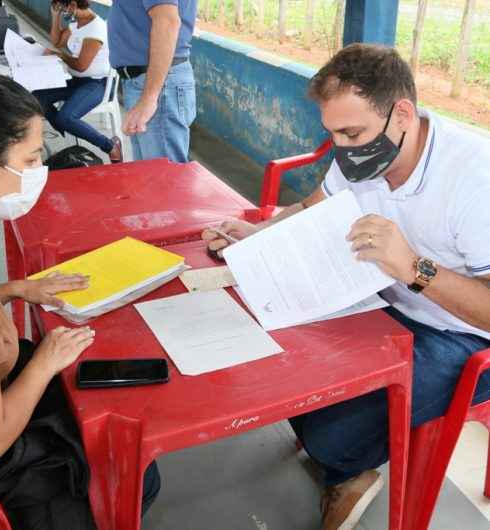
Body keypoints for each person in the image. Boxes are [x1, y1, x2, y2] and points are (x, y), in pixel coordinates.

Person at [202, 44, 490, 530]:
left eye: (352, 133)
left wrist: (413, 268)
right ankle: (345, 463)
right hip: (380, 300)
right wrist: (255, 234)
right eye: (333, 135)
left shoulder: (474, 178)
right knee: (280, 371)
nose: (343, 149)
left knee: (331, 437)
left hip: (459, 334)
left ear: (402, 112)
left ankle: (349, 473)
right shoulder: (360, 153)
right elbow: (315, 203)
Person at [0, 70, 160, 523]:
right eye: (31, 161)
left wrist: (10, 290)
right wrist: (46, 360)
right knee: (133, 475)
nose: (38, 174)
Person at [33, 0, 122, 163]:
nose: (61, 9)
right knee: (36, 98)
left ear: (72, 5)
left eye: (61, 6)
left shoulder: (95, 28)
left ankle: (110, 146)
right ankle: (70, 133)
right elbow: (57, 42)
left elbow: (81, 65)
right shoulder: (76, 24)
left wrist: (60, 55)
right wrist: (55, 17)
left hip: (97, 84)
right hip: (77, 81)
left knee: (66, 117)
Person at [107, 0, 197, 162]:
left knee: (162, 178)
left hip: (156, 82)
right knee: (149, 174)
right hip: (145, 81)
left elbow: (167, 21)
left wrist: (150, 97)